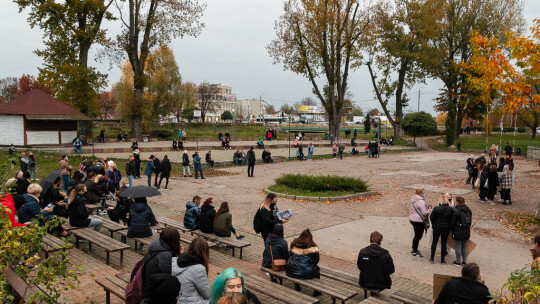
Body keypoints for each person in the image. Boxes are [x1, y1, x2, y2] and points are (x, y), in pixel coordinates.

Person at [142, 227, 182, 296]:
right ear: (174, 241)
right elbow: (173, 275)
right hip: (151, 292)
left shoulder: (158, 246)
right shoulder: (165, 255)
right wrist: (179, 256)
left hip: (148, 285)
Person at [172, 237, 211, 303]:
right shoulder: (199, 269)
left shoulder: (175, 260)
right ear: (205, 252)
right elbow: (207, 294)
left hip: (176, 299)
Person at [287, 229, 321, 296]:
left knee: (296, 267)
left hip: (292, 270)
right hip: (306, 272)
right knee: (317, 270)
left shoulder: (293, 244)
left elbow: (290, 255)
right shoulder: (313, 247)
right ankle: (316, 291)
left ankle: (297, 286)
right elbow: (316, 261)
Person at [429, 194, 454, 264]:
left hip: (437, 227)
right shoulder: (450, 209)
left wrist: (434, 223)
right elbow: (452, 219)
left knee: (434, 242)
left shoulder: (436, 208)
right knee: (444, 243)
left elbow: (432, 217)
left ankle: (432, 258)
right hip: (446, 228)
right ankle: (442, 259)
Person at [409, 188, 430, 257]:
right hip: (418, 221)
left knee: (416, 235)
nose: (424, 194)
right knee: (418, 236)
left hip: (413, 219)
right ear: (421, 194)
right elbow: (424, 213)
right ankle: (415, 251)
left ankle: (413, 248)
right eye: (423, 193)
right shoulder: (421, 202)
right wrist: (429, 211)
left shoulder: (413, 199)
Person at [451, 196, 472, 266]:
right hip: (466, 230)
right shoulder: (468, 209)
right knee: (464, 246)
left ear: (457, 202)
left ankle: (458, 261)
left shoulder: (455, 210)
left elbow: (452, 222)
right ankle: (464, 261)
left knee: (458, 246)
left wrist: (452, 229)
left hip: (458, 230)